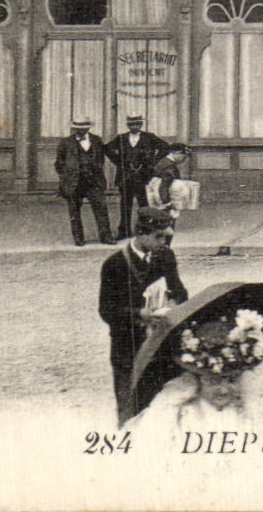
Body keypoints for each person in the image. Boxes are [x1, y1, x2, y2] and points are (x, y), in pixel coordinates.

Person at [127, 308, 263, 443]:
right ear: (197, 381)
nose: (224, 390)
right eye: (214, 382)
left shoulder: (248, 414)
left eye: (232, 380)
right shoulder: (181, 416)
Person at [99, 208, 188, 424]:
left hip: (160, 345)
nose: (164, 243)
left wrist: (173, 303)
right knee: (129, 412)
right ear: (141, 234)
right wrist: (140, 314)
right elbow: (107, 310)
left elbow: (180, 292)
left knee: (163, 410)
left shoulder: (165, 256)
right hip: (128, 347)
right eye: (158, 237)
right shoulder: (115, 264)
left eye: (167, 237)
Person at [103, 114, 168, 240]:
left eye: (137, 124)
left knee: (144, 204)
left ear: (141, 124)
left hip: (143, 177)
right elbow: (107, 149)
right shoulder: (121, 138)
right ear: (127, 125)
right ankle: (124, 231)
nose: (134, 127)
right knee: (125, 204)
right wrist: (119, 162)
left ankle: (145, 230)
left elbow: (165, 148)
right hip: (125, 177)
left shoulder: (149, 137)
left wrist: (152, 162)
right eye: (132, 124)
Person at [57, 115, 115, 247]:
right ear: (74, 128)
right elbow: (59, 163)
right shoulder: (65, 142)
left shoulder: (96, 140)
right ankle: (78, 238)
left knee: (101, 209)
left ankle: (106, 236)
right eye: (77, 128)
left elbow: (100, 159)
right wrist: (67, 176)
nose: (80, 131)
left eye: (83, 128)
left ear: (88, 128)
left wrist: (95, 171)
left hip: (93, 182)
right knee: (74, 211)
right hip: (74, 183)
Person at [147, 143, 193, 220]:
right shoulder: (170, 167)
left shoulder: (163, 161)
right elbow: (163, 188)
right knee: (165, 226)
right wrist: (169, 205)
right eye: (184, 157)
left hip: (153, 197)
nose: (183, 161)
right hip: (162, 200)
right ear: (177, 153)